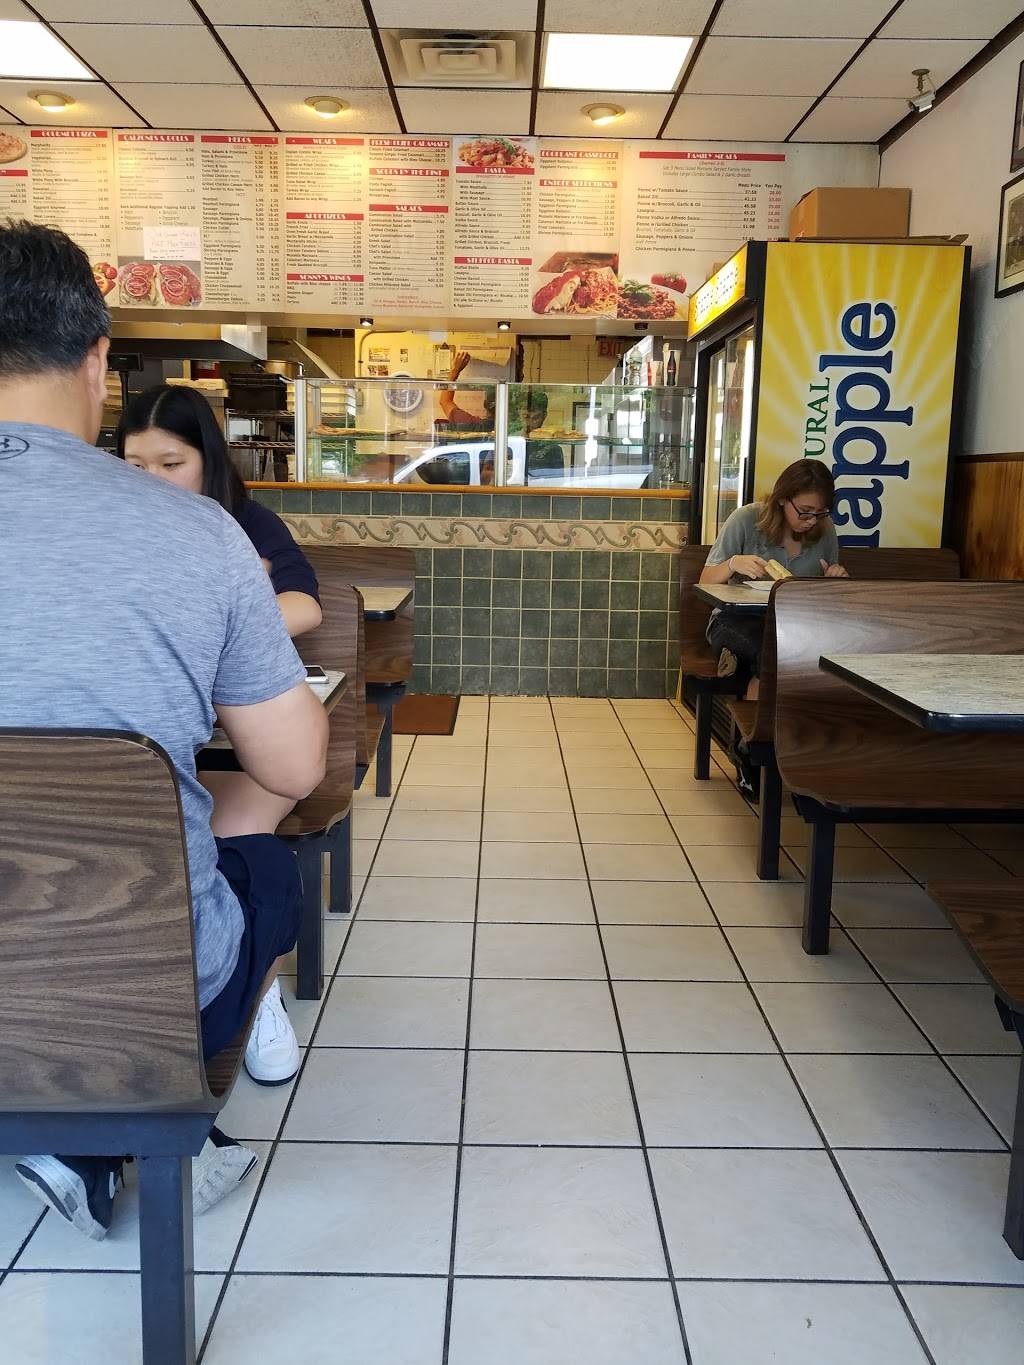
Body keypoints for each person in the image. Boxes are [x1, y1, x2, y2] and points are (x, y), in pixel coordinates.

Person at [0, 219, 328, 1241]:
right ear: (98, 360)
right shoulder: (198, 536)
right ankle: (106, 1128)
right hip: (137, 976)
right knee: (267, 871)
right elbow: (294, 765)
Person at [118, 384, 321, 1088]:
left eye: (170, 463)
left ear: (208, 459)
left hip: (238, 744)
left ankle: (255, 994)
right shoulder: (109, 530)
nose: (152, 481)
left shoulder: (243, 523)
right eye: (135, 465)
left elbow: (304, 603)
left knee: (235, 837)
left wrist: (222, 621)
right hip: (142, 746)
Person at [699, 459, 849, 793]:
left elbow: (826, 595)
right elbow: (705, 580)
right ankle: (754, 752)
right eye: (805, 511)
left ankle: (795, 749)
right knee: (773, 655)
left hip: (794, 624)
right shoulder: (746, 520)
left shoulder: (824, 532)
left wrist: (835, 579)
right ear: (783, 498)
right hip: (734, 620)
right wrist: (733, 564)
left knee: (813, 658)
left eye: (820, 513)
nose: (811, 521)